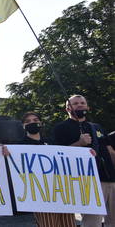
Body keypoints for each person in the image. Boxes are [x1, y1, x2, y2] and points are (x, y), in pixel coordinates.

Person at [2, 112, 76, 227]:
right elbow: (2, 152)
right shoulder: (18, 146)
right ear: (23, 126)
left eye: (35, 120)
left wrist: (88, 153)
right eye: (28, 121)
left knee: (69, 224)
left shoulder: (52, 142)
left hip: (61, 193)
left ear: (41, 123)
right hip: (41, 196)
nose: (32, 123)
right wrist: (1, 149)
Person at [53, 95, 115, 227]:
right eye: (75, 103)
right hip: (87, 183)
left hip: (110, 180)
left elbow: (110, 152)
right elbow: (57, 155)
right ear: (68, 108)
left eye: (83, 103)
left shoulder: (96, 127)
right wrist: (79, 143)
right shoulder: (61, 128)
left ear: (88, 107)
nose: (80, 105)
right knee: (92, 223)